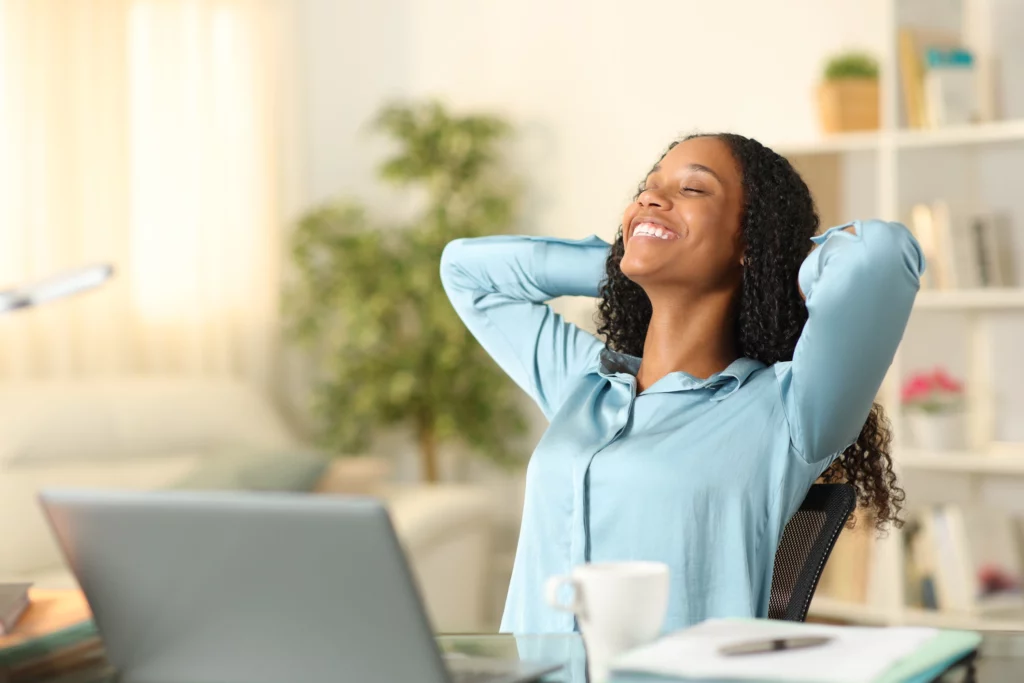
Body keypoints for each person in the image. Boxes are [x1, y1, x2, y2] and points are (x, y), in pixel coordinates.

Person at [440, 133, 924, 634]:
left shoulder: (790, 412)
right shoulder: (585, 385)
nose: (651, 198)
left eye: (692, 189)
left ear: (749, 240)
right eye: (647, 189)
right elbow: (465, 271)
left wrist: (775, 263)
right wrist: (630, 256)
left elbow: (881, 254)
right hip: (535, 669)